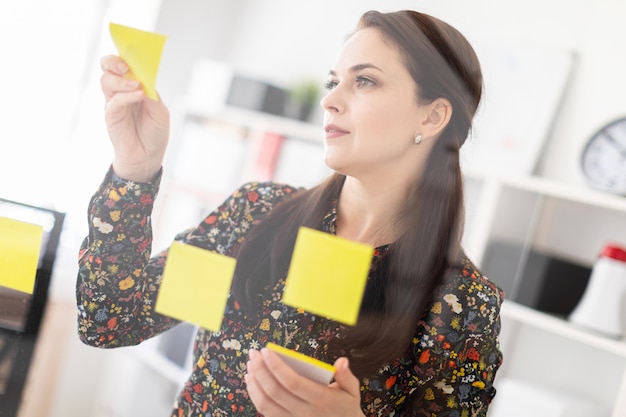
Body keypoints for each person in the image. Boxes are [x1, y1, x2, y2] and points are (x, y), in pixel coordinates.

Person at [77, 9, 504, 417]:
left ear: (433, 117)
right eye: (332, 81)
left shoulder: (462, 305)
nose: (330, 101)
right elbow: (108, 320)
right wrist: (135, 169)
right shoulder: (257, 215)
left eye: (366, 82)